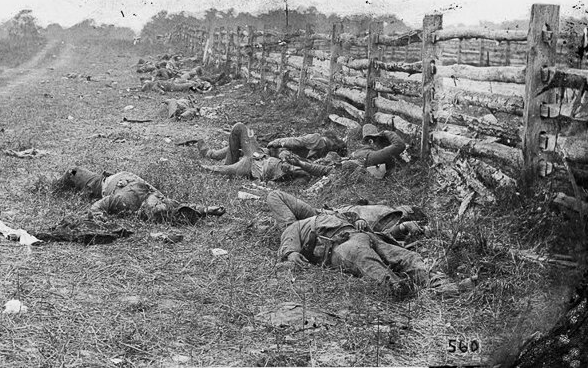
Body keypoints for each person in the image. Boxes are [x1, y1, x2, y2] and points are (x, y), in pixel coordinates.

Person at [266, 190, 431, 298]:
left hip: (362, 234)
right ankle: (398, 287)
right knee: (362, 256)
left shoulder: (321, 217)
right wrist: (291, 252)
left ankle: (432, 281)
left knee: (404, 255)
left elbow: (353, 218)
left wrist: (358, 221)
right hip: (339, 244)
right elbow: (289, 237)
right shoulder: (294, 227)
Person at [58, 166, 225, 223]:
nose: (160, 202)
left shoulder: (153, 198)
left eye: (158, 206)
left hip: (118, 181)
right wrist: (99, 215)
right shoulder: (127, 200)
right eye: (159, 203)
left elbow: (176, 205)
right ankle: (54, 183)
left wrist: (206, 210)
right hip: (103, 182)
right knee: (72, 172)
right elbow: (96, 207)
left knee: (74, 172)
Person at [197, 122, 346, 182]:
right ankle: (214, 155)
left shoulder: (318, 139)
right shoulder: (321, 160)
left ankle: (213, 156)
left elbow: (294, 141)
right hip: (269, 161)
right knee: (246, 147)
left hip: (266, 157)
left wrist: (277, 142)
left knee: (241, 128)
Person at [283, 124, 407, 180]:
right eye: (381, 142)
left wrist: (300, 163)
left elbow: (324, 170)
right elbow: (399, 145)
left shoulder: (356, 154)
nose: (383, 146)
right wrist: (385, 133)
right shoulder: (371, 156)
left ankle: (299, 163)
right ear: (371, 142)